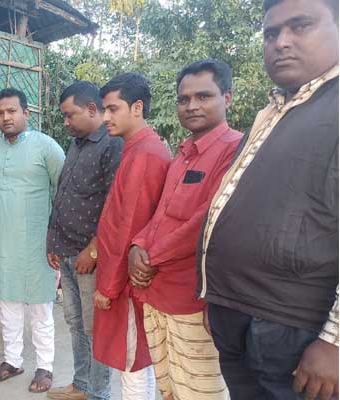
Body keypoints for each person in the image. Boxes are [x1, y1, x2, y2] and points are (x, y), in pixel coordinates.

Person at [197, 1, 339, 399]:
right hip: (238, 313)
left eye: (301, 26)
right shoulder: (273, 111)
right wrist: (218, 295)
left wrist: (335, 341)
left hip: (294, 327)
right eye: (271, 33)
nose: (282, 42)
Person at [129, 59, 241, 400]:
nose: (192, 106)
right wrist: (137, 246)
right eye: (183, 99)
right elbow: (161, 213)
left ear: (228, 98)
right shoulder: (182, 155)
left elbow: (208, 221)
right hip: (155, 293)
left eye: (204, 96)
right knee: (169, 390)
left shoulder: (235, 149)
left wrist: (150, 257)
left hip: (193, 300)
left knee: (201, 392)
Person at [92, 73, 170, 399]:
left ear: (136, 107)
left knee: (131, 365)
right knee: (136, 363)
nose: (106, 117)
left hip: (127, 284)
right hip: (126, 279)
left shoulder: (146, 154)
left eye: (113, 108)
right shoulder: (136, 150)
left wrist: (108, 287)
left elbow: (130, 229)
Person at [0, 88, 65, 393]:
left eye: (12, 111)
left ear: (26, 113)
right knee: (7, 306)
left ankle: (45, 367)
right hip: (4, 243)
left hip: (38, 243)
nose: (6, 117)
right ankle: (12, 360)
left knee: (41, 309)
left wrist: (55, 236)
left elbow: (63, 191)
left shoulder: (47, 147)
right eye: (1, 113)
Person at [46, 81, 122, 400]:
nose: (65, 121)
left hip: (90, 256)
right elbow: (62, 192)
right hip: (65, 250)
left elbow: (114, 203)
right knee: (75, 324)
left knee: (95, 329)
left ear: (92, 109)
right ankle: (81, 384)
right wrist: (52, 239)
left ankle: (99, 393)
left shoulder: (112, 144)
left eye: (69, 115)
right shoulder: (77, 143)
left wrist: (93, 249)